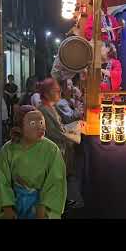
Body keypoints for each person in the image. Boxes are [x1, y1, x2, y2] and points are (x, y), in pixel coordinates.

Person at [0, 105, 67, 219]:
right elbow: (2, 181)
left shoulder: (52, 149)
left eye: (41, 123)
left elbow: (56, 181)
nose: (39, 128)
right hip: (15, 202)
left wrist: (44, 205)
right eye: (32, 124)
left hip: (42, 202)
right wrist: (7, 206)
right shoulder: (7, 150)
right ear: (19, 128)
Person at [37, 78, 84, 208]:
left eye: (59, 90)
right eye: (56, 91)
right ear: (46, 94)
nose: (59, 92)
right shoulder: (43, 110)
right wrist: (76, 130)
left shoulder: (50, 108)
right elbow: (55, 133)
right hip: (53, 152)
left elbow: (61, 129)